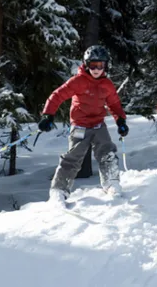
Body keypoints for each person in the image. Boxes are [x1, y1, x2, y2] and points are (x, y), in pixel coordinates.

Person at [37, 45, 129, 202]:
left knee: (107, 152)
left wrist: (120, 120)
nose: (96, 69)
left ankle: (111, 182)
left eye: (100, 65)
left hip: (98, 124)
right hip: (80, 125)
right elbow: (57, 95)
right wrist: (48, 115)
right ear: (86, 65)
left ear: (105, 66)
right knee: (73, 156)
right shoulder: (78, 81)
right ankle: (59, 190)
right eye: (93, 65)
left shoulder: (106, 84)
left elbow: (114, 104)